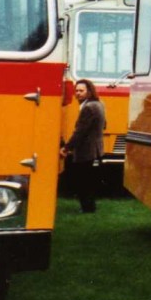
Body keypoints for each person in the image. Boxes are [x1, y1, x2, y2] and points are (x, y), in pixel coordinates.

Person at [61, 78, 106, 213]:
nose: (78, 93)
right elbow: (104, 125)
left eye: (81, 91)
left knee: (82, 181)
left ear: (89, 92)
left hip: (86, 149)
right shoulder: (99, 104)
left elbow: (80, 131)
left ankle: (87, 208)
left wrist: (66, 147)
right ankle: (89, 207)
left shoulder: (88, 108)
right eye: (76, 90)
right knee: (87, 180)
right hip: (96, 148)